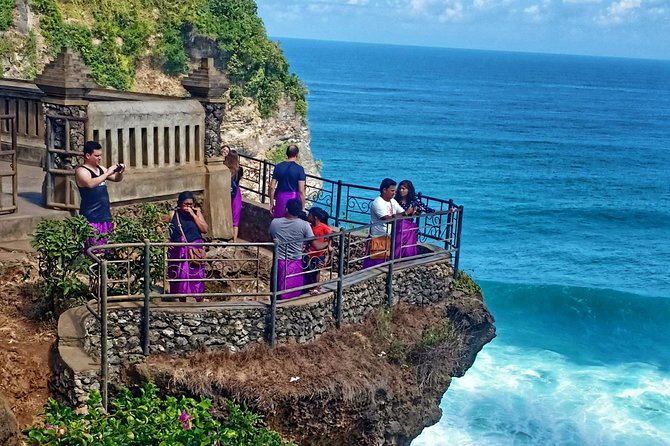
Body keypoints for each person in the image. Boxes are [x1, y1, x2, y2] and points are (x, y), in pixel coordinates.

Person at [75, 140, 125, 245]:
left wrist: (120, 172)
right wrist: (107, 173)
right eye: (97, 155)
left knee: (107, 248)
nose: (100, 158)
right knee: (93, 249)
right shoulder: (81, 171)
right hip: (90, 217)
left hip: (105, 216)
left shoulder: (101, 169)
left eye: (100, 155)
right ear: (88, 155)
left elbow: (116, 179)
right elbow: (90, 183)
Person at [167, 191, 209, 302]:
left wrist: (193, 215)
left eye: (190, 204)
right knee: (179, 276)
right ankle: (181, 300)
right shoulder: (173, 214)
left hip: (194, 250)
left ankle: (199, 298)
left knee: (196, 275)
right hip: (178, 250)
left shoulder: (197, 213)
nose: (187, 207)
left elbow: (204, 229)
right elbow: (163, 227)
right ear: (180, 203)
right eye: (185, 204)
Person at [268, 198, 313, 299]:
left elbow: (271, 238)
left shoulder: (275, 222)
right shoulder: (304, 225)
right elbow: (312, 241)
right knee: (293, 289)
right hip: (296, 261)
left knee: (276, 287)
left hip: (278, 260)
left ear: (286, 209)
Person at [363, 178, 406, 269]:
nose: (394, 193)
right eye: (392, 191)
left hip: (390, 236)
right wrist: (401, 214)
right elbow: (387, 219)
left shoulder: (392, 201)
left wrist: (406, 213)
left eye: (395, 191)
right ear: (384, 190)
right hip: (379, 237)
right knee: (376, 262)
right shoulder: (377, 203)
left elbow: (402, 213)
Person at [393, 180, 434, 258]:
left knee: (408, 248)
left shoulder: (414, 201)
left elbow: (428, 210)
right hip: (397, 225)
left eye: (403, 189)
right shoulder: (396, 200)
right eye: (400, 189)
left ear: (409, 190)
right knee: (397, 244)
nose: (401, 190)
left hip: (408, 227)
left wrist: (449, 211)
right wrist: (407, 212)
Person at [268, 144, 306, 218]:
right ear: (297, 155)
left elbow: (272, 187)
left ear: (287, 154)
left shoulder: (278, 167)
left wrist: (272, 203)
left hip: (280, 198)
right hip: (294, 199)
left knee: (279, 220)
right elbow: (301, 190)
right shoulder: (300, 169)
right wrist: (303, 207)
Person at [303, 207, 333, 295]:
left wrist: (329, 246)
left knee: (316, 270)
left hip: (319, 253)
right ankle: (312, 285)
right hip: (311, 252)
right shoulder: (310, 227)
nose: (308, 216)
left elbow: (331, 235)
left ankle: (316, 287)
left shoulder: (323, 227)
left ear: (315, 217)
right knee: (310, 269)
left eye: (310, 215)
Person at [224, 150, 244, 242]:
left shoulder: (224, 169)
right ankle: (234, 241)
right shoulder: (239, 170)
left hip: (225, 193)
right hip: (236, 195)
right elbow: (239, 180)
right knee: (235, 219)